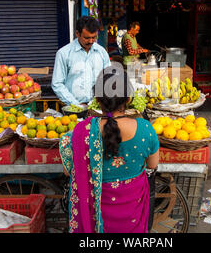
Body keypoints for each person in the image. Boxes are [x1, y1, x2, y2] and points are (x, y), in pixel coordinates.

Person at [58, 66, 160, 233]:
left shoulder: (82, 131)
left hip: (96, 213)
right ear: (128, 98)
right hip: (133, 207)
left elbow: (68, 171)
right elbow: (152, 165)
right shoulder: (145, 129)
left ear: (97, 100)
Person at [51, 16, 111, 105]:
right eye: (87, 38)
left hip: (98, 107)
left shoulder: (101, 52)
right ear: (77, 33)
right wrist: (75, 104)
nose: (91, 41)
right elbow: (57, 84)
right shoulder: (64, 53)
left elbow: (108, 78)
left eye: (94, 37)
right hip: (73, 109)